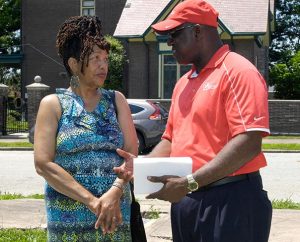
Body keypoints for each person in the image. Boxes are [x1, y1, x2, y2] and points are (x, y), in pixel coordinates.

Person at [114, 0, 272, 241]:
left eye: (175, 34)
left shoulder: (238, 72)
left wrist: (189, 183)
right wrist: (142, 167)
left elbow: (249, 142)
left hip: (231, 200)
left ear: (198, 31)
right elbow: (171, 139)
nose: (169, 42)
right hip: (189, 201)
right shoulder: (183, 83)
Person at [34, 15, 138, 241]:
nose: (103, 65)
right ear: (74, 64)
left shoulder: (116, 101)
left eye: (106, 58)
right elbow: (43, 163)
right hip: (66, 218)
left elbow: (132, 153)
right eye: (95, 58)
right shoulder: (53, 105)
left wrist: (115, 191)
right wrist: (93, 202)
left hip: (115, 213)